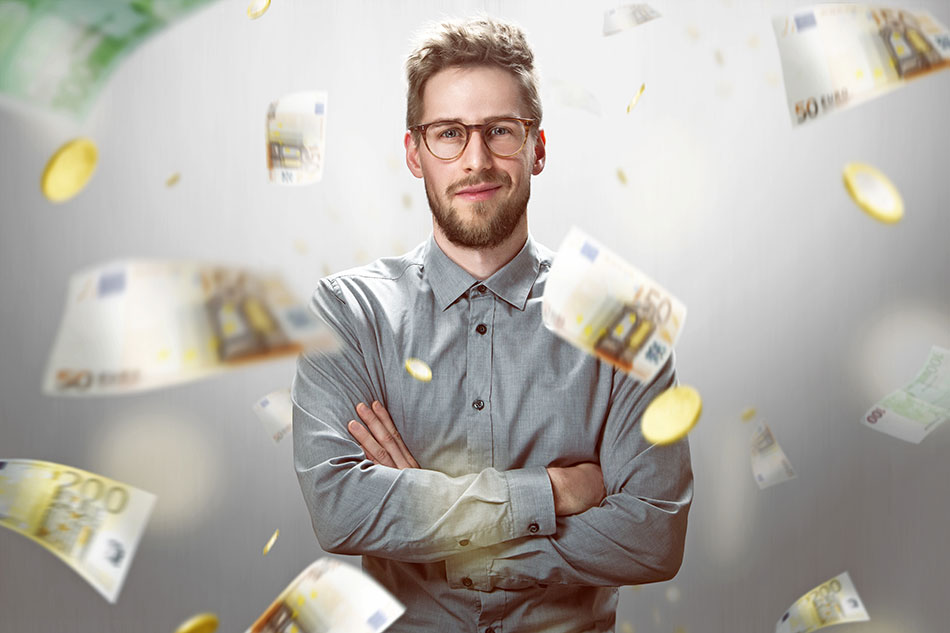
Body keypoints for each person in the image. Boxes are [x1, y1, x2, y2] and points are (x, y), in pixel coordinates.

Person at [292, 15, 692, 633]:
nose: (476, 160)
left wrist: (428, 513)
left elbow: (653, 536)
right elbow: (340, 512)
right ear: (413, 153)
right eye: (449, 133)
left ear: (537, 145)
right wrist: (549, 495)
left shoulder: (624, 313)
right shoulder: (349, 313)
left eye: (500, 131)